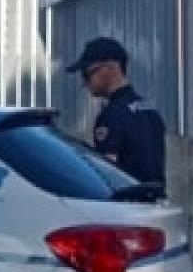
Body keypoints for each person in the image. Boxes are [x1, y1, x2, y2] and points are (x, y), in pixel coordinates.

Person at [67, 37, 166, 195]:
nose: (84, 83)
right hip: (156, 203)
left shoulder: (111, 116)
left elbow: (106, 175)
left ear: (109, 68)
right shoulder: (149, 110)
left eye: (87, 74)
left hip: (128, 205)